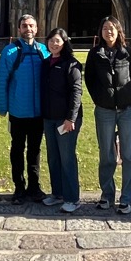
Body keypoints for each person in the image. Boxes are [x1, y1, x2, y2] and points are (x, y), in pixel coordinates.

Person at [84, 16, 131, 214]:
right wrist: (100, 98)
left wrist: (128, 95)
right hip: (105, 110)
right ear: (101, 32)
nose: (109, 32)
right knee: (106, 154)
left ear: (119, 31)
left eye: (112, 28)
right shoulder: (95, 54)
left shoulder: (126, 53)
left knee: (129, 154)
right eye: (105, 28)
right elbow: (89, 79)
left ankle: (127, 197)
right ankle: (107, 195)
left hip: (126, 109)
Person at [0, 13, 50, 204]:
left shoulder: (44, 50)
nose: (28, 29)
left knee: (34, 150)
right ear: (19, 29)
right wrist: (3, 107)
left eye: (32, 26)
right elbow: (1, 81)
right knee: (17, 149)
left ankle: (34, 187)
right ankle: (19, 187)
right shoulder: (10, 52)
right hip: (18, 111)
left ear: (37, 28)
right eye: (25, 26)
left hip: (38, 112)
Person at [40, 28, 83, 213]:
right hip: (49, 118)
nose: (53, 44)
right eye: (51, 40)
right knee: (53, 157)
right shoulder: (45, 63)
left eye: (57, 41)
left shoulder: (72, 64)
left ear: (64, 43)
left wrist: (70, 118)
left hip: (66, 120)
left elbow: (76, 92)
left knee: (67, 158)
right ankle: (57, 194)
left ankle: (73, 198)